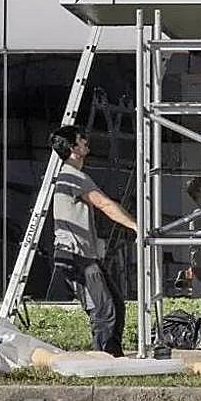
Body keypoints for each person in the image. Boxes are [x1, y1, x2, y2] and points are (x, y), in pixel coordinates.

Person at [49, 124, 138, 356]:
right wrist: (136, 226)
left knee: (115, 304)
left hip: (81, 255)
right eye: (81, 139)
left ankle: (113, 354)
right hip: (76, 255)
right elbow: (104, 204)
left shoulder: (69, 176)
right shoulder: (74, 176)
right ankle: (104, 356)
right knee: (104, 308)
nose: (86, 141)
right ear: (73, 148)